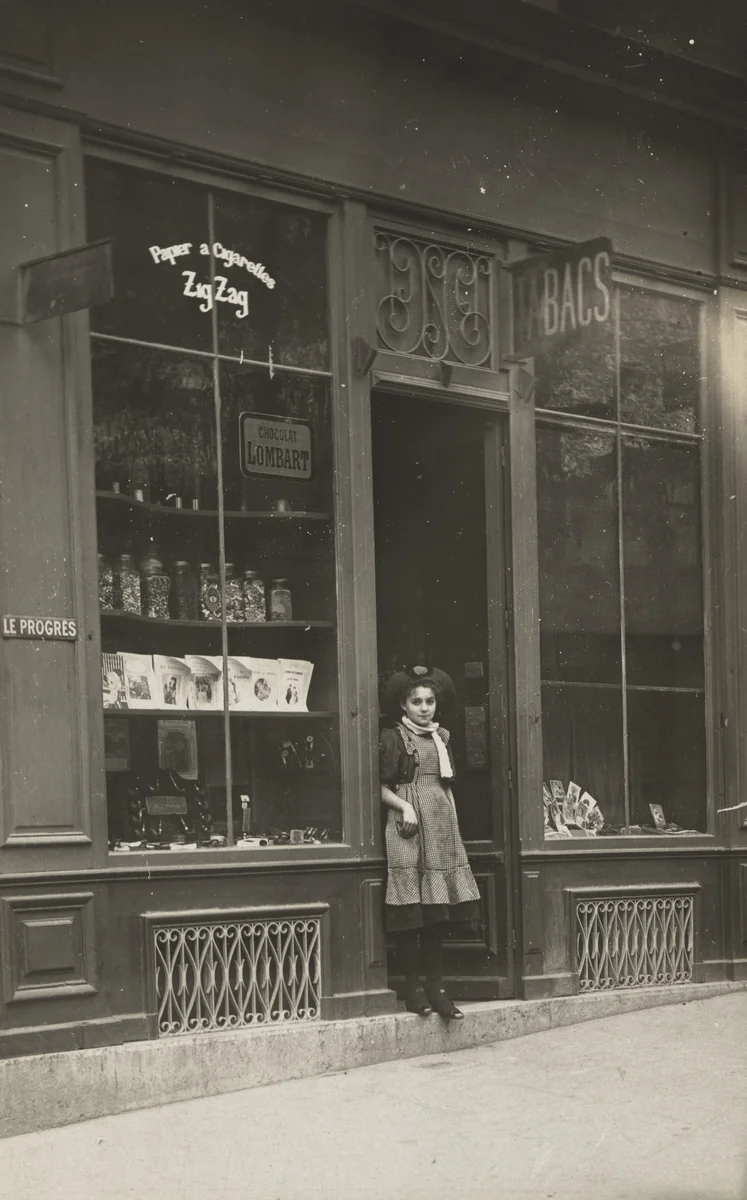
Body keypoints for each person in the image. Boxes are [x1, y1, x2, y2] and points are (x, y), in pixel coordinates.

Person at [379, 664, 481, 1020]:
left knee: (436, 914)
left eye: (429, 701)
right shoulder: (393, 738)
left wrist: (453, 831)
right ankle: (412, 989)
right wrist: (405, 805)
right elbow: (379, 786)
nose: (424, 708)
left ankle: (437, 988)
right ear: (403, 705)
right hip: (407, 826)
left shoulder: (443, 738)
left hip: (440, 825)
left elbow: (446, 784)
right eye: (416, 701)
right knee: (412, 913)